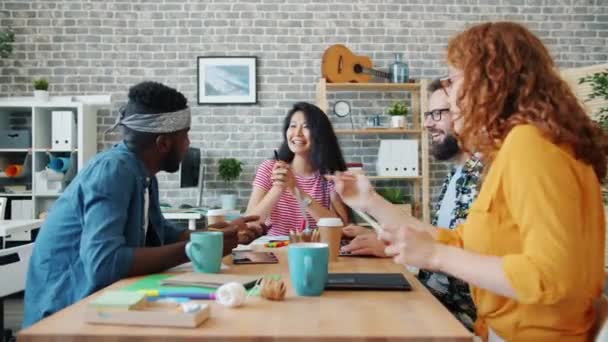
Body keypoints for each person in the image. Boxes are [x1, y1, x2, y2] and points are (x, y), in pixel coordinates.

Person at [330, 22, 606, 341]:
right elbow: (460, 241)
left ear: (489, 80)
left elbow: (552, 276)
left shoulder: (530, 145)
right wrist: (369, 202)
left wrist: (434, 256)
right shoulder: (517, 148)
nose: (449, 92)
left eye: (453, 78)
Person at [23, 81, 264, 327]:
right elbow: (104, 263)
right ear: (163, 143)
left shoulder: (143, 174)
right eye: (185, 135)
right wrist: (197, 249)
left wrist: (216, 234)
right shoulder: (113, 170)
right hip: (64, 317)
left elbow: (164, 234)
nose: (188, 143)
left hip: (103, 305)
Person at [340, 79, 483, 330]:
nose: (428, 123)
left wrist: (390, 248)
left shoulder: (483, 177)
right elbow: (445, 239)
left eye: (438, 114)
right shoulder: (455, 174)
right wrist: (382, 233)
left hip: (460, 316)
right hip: (432, 298)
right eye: (428, 115)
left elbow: (465, 257)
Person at [246, 102, 349, 236]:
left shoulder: (330, 176)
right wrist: (278, 188)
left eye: (306, 127)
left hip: (314, 254)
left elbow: (340, 229)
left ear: (320, 134)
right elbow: (249, 225)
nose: (297, 133)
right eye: (293, 126)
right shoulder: (269, 169)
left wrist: (296, 190)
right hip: (271, 255)